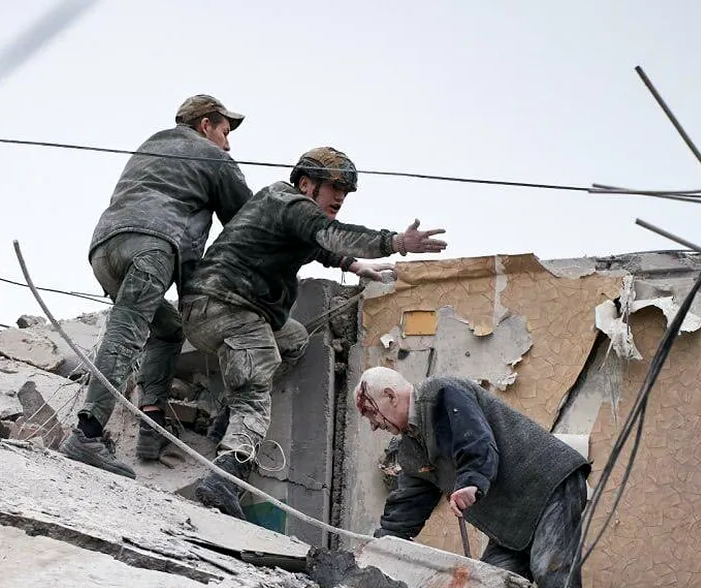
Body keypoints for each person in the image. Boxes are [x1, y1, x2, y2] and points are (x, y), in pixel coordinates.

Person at [182, 147, 448, 518]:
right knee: (255, 393)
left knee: (292, 340)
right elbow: (330, 236)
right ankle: (224, 479)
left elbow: (320, 247)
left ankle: (227, 418)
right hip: (226, 305)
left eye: (345, 191)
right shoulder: (287, 201)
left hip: (223, 309)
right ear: (306, 184)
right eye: (334, 187)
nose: (340, 196)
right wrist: (397, 243)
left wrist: (353, 266)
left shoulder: (291, 215)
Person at [61, 95, 254, 479]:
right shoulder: (212, 156)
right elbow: (249, 220)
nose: (228, 144)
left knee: (167, 329)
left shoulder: (152, 144)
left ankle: (151, 420)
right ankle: (87, 432)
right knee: (126, 333)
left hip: (105, 250)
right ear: (206, 126)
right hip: (152, 247)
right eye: (225, 131)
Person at [354, 366, 591, 588]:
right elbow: (407, 506)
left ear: (390, 396)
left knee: (552, 575)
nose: (373, 425)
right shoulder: (411, 450)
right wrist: (380, 546)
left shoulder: (441, 393)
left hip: (547, 485)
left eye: (371, 413)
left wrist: (472, 482)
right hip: (512, 517)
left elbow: (476, 440)